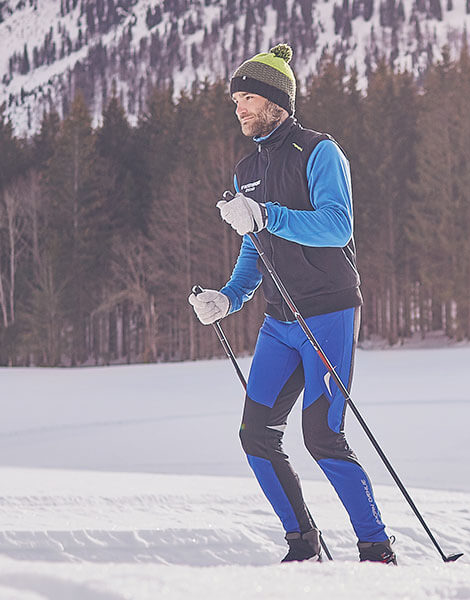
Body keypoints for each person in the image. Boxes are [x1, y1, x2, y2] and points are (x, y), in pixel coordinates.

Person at [189, 44, 394, 564]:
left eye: (249, 98)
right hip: (279, 321)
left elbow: (336, 225)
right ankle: (303, 542)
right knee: (255, 434)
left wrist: (266, 214)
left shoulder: (320, 151)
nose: (239, 109)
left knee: (322, 436)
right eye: (235, 100)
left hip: (328, 312)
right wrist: (227, 298)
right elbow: (253, 246)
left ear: (278, 101)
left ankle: (376, 547)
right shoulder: (244, 169)